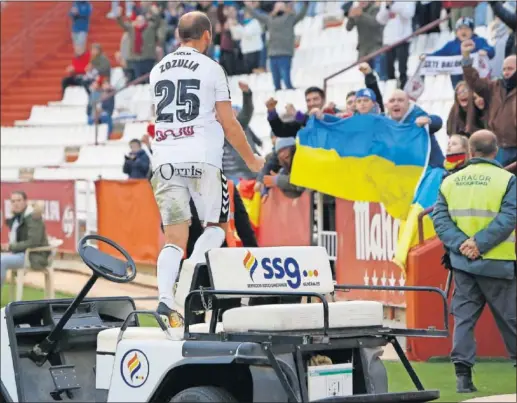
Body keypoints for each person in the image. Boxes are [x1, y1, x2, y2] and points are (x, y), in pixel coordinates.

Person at [149, 11, 264, 328]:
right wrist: (253, 160)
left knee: (174, 238)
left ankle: (163, 299)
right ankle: (188, 282)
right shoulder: (212, 68)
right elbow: (229, 123)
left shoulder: (158, 70)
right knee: (215, 227)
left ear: (177, 37)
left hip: (164, 161)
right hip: (201, 159)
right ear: (207, 36)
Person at [432, 130, 516, 393]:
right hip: (498, 265)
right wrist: (479, 244)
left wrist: (462, 245)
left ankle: (463, 379)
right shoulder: (508, 180)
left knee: (464, 320)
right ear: (496, 151)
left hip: (463, 264)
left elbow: (440, 220)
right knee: (512, 321)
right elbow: (508, 218)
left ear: (470, 152)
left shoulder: (450, 181)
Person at [461, 40, 516, 166]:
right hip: (499, 148)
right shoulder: (494, 87)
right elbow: (473, 81)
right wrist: (466, 57)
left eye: (510, 69)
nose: (506, 72)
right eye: (504, 69)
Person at [427, 17, 495, 89]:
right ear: (456, 32)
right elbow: (437, 55)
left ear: (472, 31)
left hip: (477, 81)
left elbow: (492, 51)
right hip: (458, 83)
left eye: (466, 28)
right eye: (460, 29)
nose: (463, 31)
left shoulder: (479, 41)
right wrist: (426, 57)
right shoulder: (451, 45)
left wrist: (485, 51)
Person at [1, 192, 49, 285]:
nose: (16, 203)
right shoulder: (16, 218)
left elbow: (33, 242)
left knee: (1, 261)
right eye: (13, 201)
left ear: (25, 202)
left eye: (19, 200)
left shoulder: (33, 217)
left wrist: (11, 247)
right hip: (20, 253)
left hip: (33, 256)